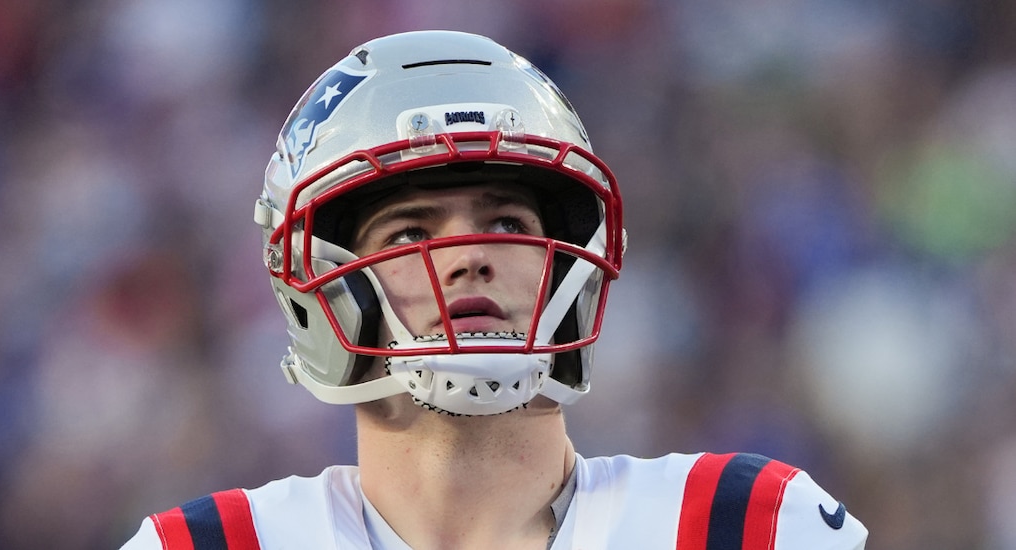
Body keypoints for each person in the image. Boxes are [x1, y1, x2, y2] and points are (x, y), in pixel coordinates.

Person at [121, 30, 868, 549]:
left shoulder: (746, 525)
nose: (470, 257)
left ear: (568, 260)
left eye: (508, 222)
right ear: (316, 282)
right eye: (411, 235)